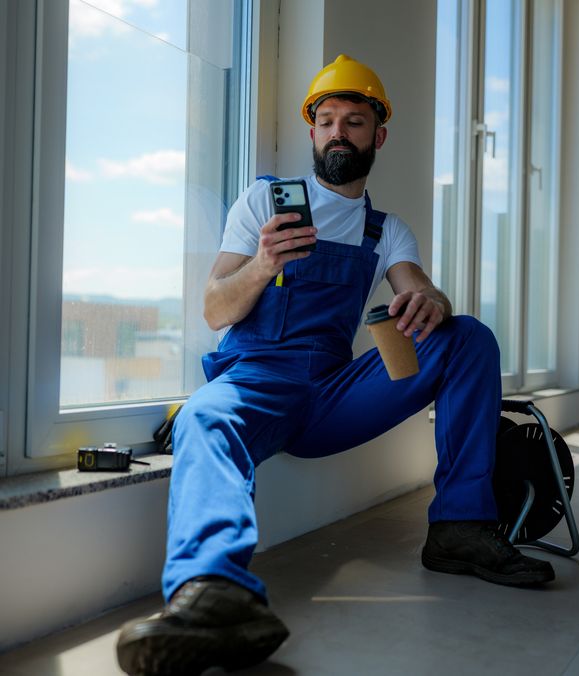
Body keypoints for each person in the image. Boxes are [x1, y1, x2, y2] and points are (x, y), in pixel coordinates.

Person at [116, 54, 554, 676]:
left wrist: (430, 300)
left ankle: (460, 525)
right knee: (204, 420)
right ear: (312, 131)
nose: (338, 132)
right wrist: (264, 263)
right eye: (326, 120)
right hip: (255, 383)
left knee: (468, 337)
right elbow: (214, 310)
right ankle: (211, 593)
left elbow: (424, 287)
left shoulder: (385, 230)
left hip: (331, 393)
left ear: (379, 136)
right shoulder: (262, 202)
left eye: (353, 121)